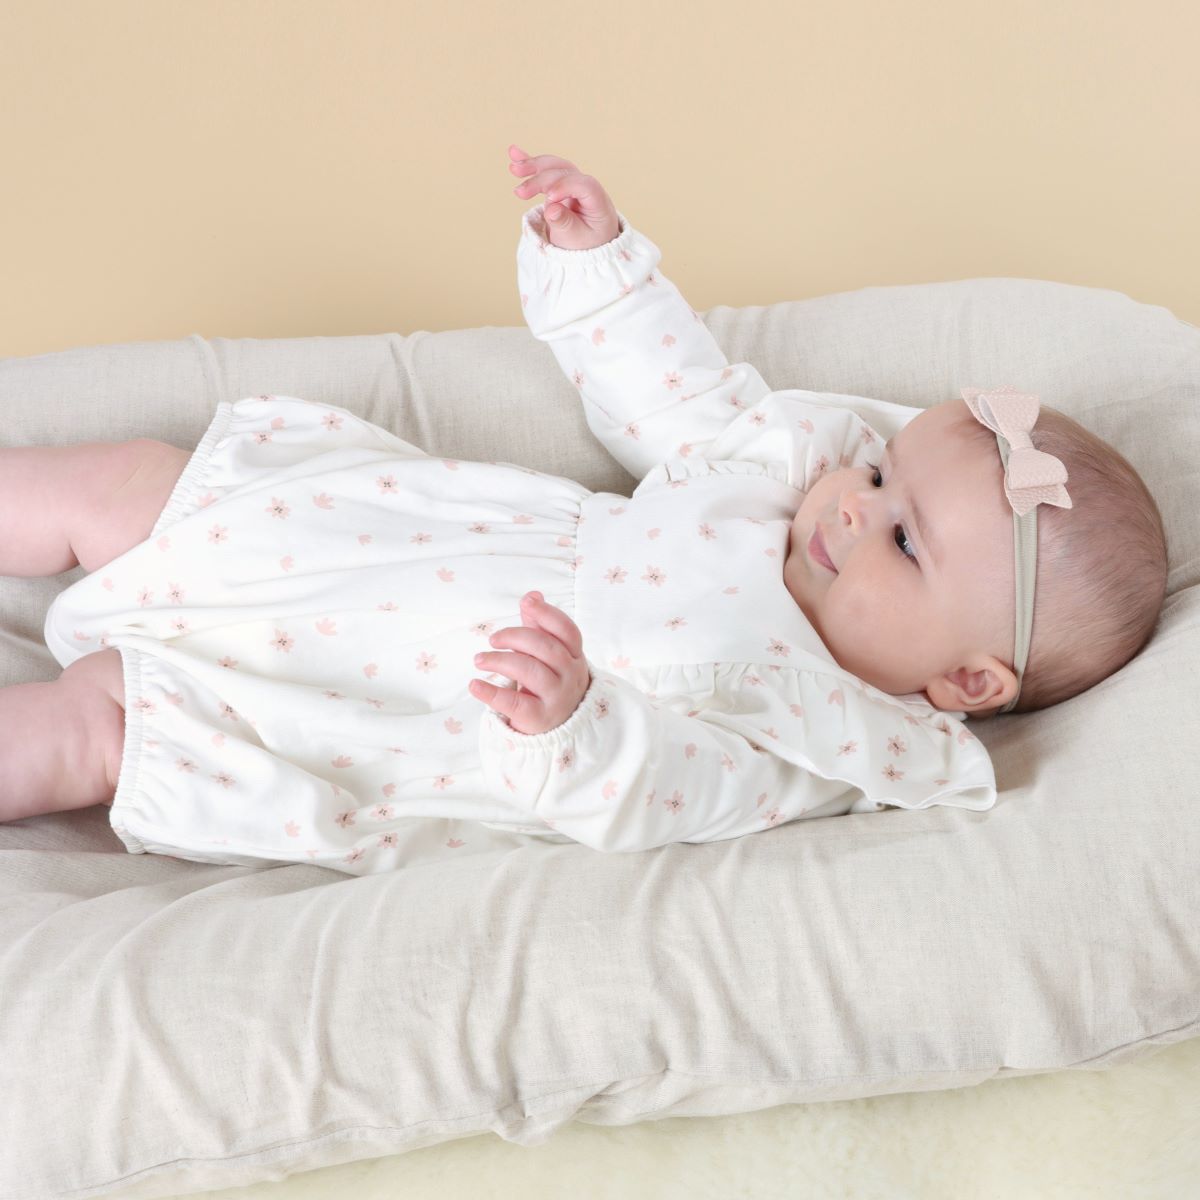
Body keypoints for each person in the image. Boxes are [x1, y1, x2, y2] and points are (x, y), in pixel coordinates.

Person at [0, 146, 1168, 874]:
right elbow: (676, 394)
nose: (856, 509)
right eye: (880, 478)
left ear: (965, 682)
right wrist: (598, 264)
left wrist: (574, 724)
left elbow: (660, 793)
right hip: (363, 540)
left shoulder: (816, 738)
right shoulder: (774, 474)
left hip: (377, 705)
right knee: (127, 486)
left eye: (905, 540)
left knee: (98, 732)